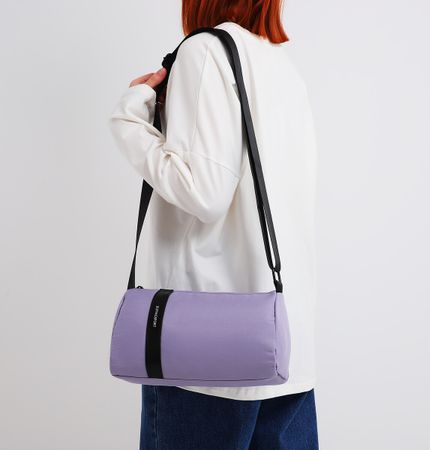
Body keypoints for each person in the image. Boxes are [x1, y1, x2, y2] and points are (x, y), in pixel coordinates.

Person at [108, 1, 318, 448]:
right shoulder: (281, 64)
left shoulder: (205, 50)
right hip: (284, 344)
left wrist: (131, 121)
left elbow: (203, 193)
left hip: (203, 349)